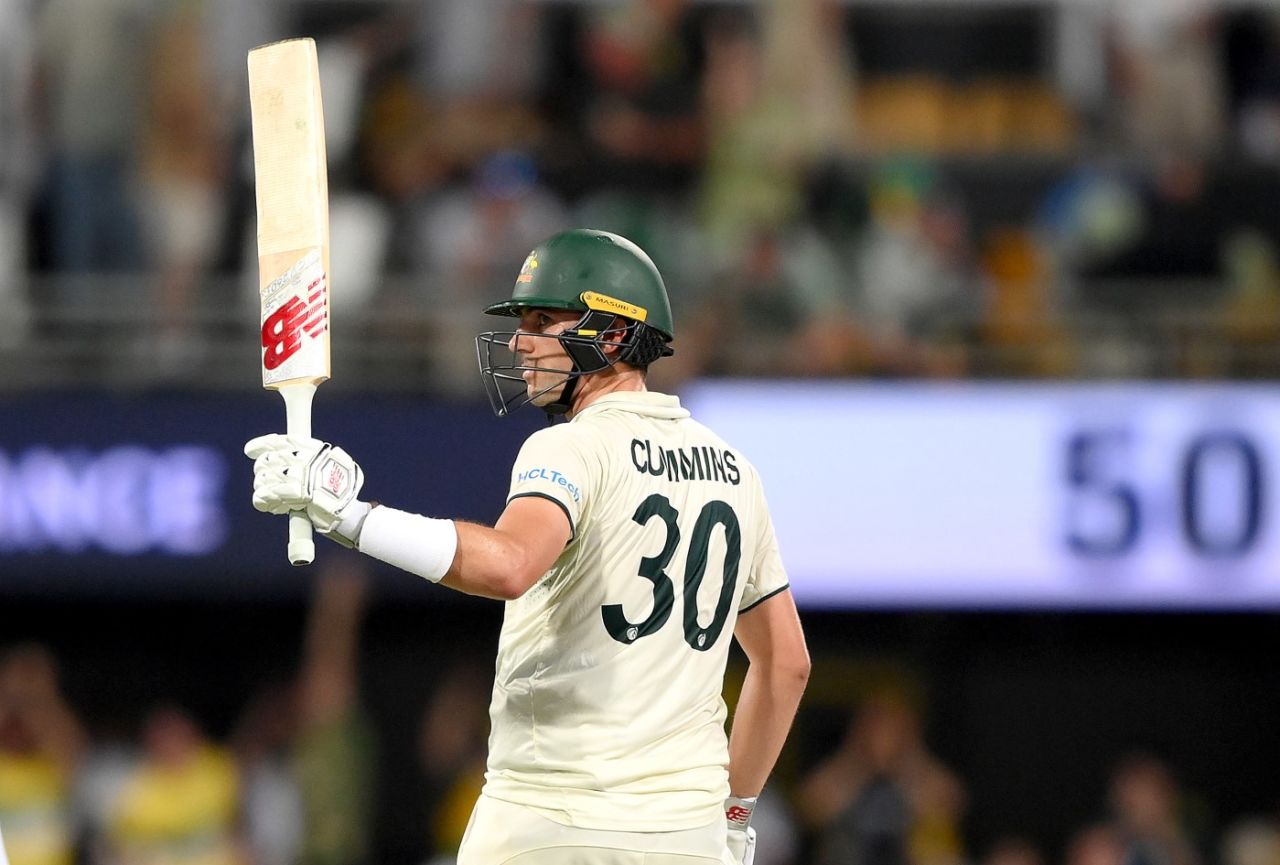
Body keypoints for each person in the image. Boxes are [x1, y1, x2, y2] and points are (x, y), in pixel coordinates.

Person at [244, 228, 811, 865]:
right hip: (689, 838)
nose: (519, 341)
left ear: (613, 334)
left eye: (543, 321)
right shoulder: (737, 471)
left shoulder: (571, 445)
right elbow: (786, 665)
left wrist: (349, 516)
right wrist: (734, 815)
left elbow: (511, 565)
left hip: (549, 821)